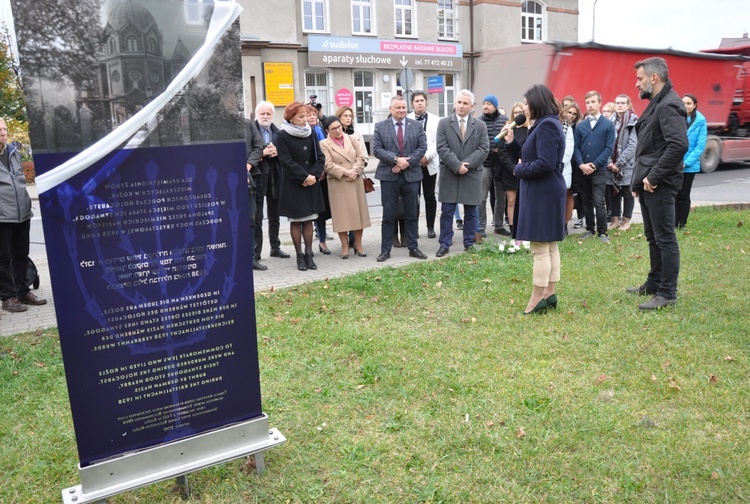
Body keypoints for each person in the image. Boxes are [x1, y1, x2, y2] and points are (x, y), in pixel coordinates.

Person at [627, 57, 688, 310]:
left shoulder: (670, 104)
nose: (636, 84)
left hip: (659, 183)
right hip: (649, 182)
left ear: (654, 78)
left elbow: (678, 145)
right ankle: (653, 283)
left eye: (640, 78)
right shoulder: (657, 102)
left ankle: (667, 293)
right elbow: (650, 146)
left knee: (664, 238)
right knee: (653, 236)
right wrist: (639, 180)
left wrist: (653, 177)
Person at [502, 86, 566, 315]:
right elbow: (533, 154)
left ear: (537, 103)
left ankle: (537, 298)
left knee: (541, 248)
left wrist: (519, 170)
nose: (525, 107)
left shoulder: (547, 125)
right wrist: (512, 143)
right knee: (549, 246)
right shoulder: (543, 123)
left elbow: (545, 163)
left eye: (527, 103)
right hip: (546, 190)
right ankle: (549, 294)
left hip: (543, 191)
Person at [372, 95, 428, 262]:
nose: (402, 110)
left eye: (404, 107)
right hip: (389, 177)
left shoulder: (416, 126)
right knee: (388, 215)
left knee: (412, 214)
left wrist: (404, 163)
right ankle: (385, 250)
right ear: (391, 109)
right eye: (398, 108)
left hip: (411, 176)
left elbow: (422, 148)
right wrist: (396, 160)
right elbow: (377, 149)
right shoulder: (380, 126)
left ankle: (413, 248)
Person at [435, 89, 490, 256]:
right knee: (447, 212)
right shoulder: (444, 123)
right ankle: (444, 244)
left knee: (471, 212)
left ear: (471, 106)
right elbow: (442, 147)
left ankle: (468, 243)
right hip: (450, 173)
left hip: (471, 173)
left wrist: (466, 164)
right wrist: (457, 165)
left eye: (465, 103)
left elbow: (484, 148)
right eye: (459, 102)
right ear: (455, 103)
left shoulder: (480, 125)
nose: (461, 106)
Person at [0, 118, 47, 312]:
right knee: (3, 259)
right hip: (2, 216)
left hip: (22, 214)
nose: (3, 132)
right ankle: (8, 297)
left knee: (21, 255)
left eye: (4, 128)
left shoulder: (13, 152)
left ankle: (22, 291)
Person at [275, 102, 326, 271]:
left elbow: (320, 157)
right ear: (290, 118)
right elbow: (285, 161)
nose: (305, 120)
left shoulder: (310, 133)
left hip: (311, 182)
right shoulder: (282, 136)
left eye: (306, 116)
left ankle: (309, 254)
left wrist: (313, 176)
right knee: (296, 221)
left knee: (309, 220)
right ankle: (299, 256)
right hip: (294, 184)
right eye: (301, 116)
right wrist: (304, 177)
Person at [319, 116, 371, 258]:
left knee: (357, 214)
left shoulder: (352, 138)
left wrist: (355, 171)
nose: (337, 131)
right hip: (338, 182)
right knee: (341, 216)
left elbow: (361, 157)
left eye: (339, 127)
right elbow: (328, 164)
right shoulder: (324, 144)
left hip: (355, 181)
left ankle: (359, 245)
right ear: (327, 131)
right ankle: (344, 245)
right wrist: (345, 172)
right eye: (333, 129)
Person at [572, 90, 616, 243]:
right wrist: (581, 164)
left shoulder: (608, 125)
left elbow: (609, 148)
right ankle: (590, 229)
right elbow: (576, 147)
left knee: (599, 201)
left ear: (599, 103)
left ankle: (602, 232)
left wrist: (595, 164)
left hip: (599, 170)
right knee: (586, 201)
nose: (590, 105)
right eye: (588, 102)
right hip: (583, 170)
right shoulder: (581, 126)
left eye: (593, 102)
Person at [254, 101, 291, 262]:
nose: (265, 116)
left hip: (275, 179)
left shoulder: (278, 132)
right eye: (262, 113)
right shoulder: (251, 131)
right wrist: (262, 153)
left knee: (274, 215)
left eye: (268, 114)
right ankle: (256, 252)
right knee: (257, 216)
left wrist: (277, 152)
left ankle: (275, 248)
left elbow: (286, 155)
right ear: (257, 115)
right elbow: (247, 153)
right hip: (257, 178)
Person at [407, 92, 439, 239]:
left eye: (422, 100)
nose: (419, 103)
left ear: (426, 102)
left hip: (430, 163)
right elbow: (407, 142)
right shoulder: (407, 119)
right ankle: (414, 228)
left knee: (430, 196)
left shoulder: (435, 120)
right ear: (412, 103)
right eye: (416, 101)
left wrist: (427, 156)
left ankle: (430, 227)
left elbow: (437, 142)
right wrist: (417, 158)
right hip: (413, 164)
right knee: (414, 197)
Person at [477, 94, 509, 238]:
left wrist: (500, 149)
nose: (485, 106)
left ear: (495, 106)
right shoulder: (478, 122)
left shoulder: (505, 121)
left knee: (500, 198)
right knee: (481, 197)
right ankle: (480, 227)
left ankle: (499, 226)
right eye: (484, 103)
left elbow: (509, 140)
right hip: (485, 164)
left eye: (489, 104)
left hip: (501, 165)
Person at [607, 94, 638, 231]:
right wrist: (609, 162)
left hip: (627, 165)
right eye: (617, 102)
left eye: (622, 103)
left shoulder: (633, 121)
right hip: (611, 164)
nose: (619, 105)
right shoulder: (610, 120)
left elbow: (633, 146)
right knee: (614, 193)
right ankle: (615, 220)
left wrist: (618, 164)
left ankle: (626, 221)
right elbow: (607, 142)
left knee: (627, 193)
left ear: (627, 105)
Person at [675, 93, 707, 229]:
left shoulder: (700, 120)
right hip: (674, 164)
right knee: (674, 194)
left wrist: (686, 162)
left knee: (684, 194)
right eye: (683, 103)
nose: (686, 106)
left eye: (689, 103)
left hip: (689, 166)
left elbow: (700, 146)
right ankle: (673, 223)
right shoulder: (676, 117)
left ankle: (682, 224)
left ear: (695, 105)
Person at [306, 104, 332, 255]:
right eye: (308, 115)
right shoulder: (304, 133)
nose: (312, 117)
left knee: (326, 209)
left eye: (314, 115)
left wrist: (324, 170)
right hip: (312, 176)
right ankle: (321, 241)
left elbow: (325, 153)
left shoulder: (319, 130)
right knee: (317, 212)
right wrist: (316, 172)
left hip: (324, 175)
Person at [244, 118, 267, 271]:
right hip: (223, 178)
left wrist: (248, 165)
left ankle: (251, 258)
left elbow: (259, 146)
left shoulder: (248, 124)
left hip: (249, 178)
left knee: (251, 220)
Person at [566, 102, 585, 230]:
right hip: (565, 163)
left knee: (575, 193)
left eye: (574, 114)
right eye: (569, 112)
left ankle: (579, 217)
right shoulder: (561, 125)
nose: (571, 116)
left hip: (575, 163)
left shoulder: (578, 127)